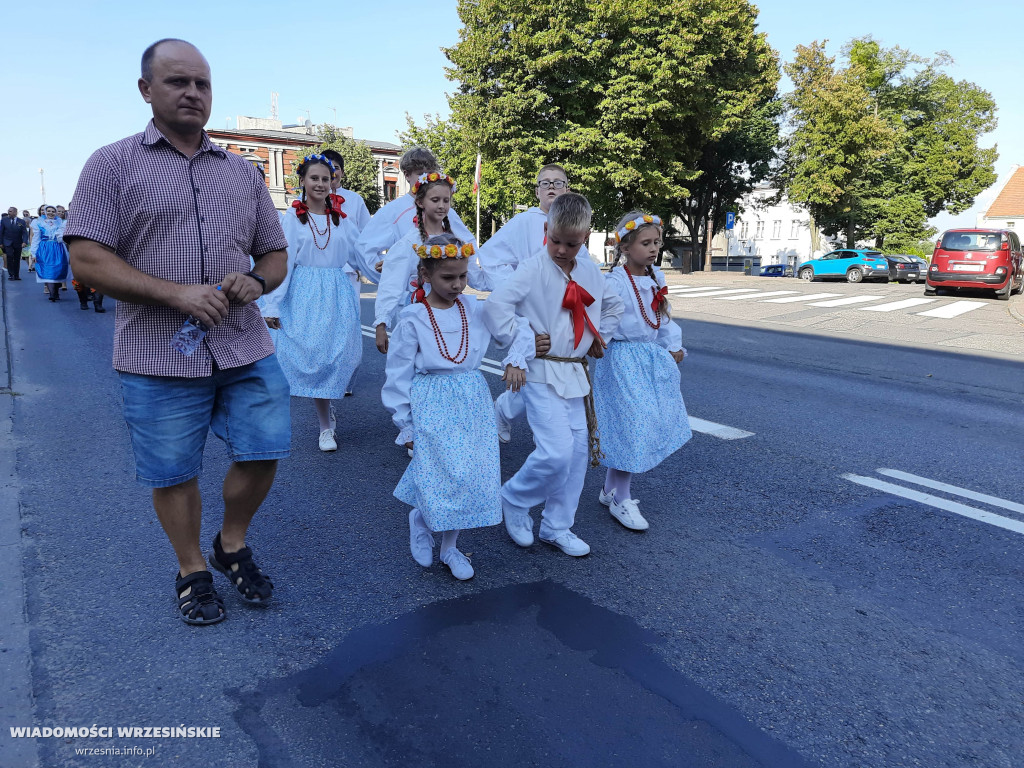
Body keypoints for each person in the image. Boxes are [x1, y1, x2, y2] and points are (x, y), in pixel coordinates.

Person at [65, 38, 291, 626]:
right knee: (173, 471)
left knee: (265, 448)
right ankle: (192, 569)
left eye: (202, 83)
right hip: (156, 352)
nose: (193, 93)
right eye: (178, 82)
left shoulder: (241, 173)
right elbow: (85, 259)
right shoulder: (111, 164)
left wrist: (257, 281)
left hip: (243, 344)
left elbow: (274, 253)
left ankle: (231, 544)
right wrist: (176, 293)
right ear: (146, 90)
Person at [382, 233, 533, 579]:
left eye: (463, 276)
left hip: (471, 399)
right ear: (425, 274)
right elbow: (397, 374)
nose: (457, 285)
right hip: (432, 400)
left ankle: (450, 547)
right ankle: (421, 520)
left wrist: (516, 358)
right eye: (448, 277)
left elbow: (520, 327)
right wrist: (405, 422)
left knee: (466, 474)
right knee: (439, 469)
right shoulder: (413, 317)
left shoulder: (477, 309)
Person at [483, 193, 623, 557]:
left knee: (577, 455)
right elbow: (496, 306)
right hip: (542, 371)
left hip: (574, 372)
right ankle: (515, 497)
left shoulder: (590, 271)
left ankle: (557, 525)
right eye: (555, 240)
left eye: (572, 244)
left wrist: (599, 337)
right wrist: (522, 340)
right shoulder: (533, 268)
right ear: (546, 229)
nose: (561, 250)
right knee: (556, 453)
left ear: (586, 237)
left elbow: (613, 305)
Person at [260, 154, 378, 452]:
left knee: (339, 357)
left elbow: (360, 255)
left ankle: (328, 406)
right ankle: (326, 425)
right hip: (304, 294)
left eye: (326, 178)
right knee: (313, 356)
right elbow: (284, 264)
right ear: (302, 181)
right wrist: (272, 304)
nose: (321, 183)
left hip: (337, 293)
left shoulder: (342, 219)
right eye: (314, 178)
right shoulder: (292, 218)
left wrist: (387, 274)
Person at [591, 212, 691, 531]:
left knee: (636, 424)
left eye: (656, 242)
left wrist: (672, 345)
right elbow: (602, 319)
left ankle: (610, 488)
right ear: (624, 248)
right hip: (622, 361)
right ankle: (622, 498)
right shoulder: (615, 282)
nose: (653, 249)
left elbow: (663, 316)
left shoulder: (655, 277)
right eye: (645, 243)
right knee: (633, 425)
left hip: (648, 360)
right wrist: (597, 342)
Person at [478, 163, 583, 443]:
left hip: (563, 311)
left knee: (554, 375)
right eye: (545, 183)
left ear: (567, 189)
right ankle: (546, 442)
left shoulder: (575, 222)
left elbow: (583, 268)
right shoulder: (524, 222)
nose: (551, 187)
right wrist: (517, 291)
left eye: (558, 183)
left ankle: (507, 410)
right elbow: (491, 257)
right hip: (533, 313)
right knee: (537, 371)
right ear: (537, 191)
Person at [373, 172, 480, 354]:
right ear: (420, 202)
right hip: (419, 312)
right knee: (418, 357)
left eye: (446, 200)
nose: (441, 206)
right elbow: (392, 284)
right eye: (435, 200)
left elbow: (472, 274)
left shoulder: (456, 241)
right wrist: (381, 323)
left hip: (450, 310)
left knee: (448, 354)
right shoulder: (410, 242)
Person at [354, 146, 471, 300]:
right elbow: (364, 247)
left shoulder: (446, 210)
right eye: (420, 174)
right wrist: (391, 273)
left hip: (444, 293)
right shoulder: (393, 211)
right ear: (407, 175)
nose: (426, 178)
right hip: (410, 295)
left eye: (430, 173)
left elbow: (467, 245)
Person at [322, 148, 371, 396]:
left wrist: (368, 266)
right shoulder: (305, 199)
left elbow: (367, 236)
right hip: (319, 275)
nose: (332, 173)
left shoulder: (354, 200)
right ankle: (323, 376)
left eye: (336, 168)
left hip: (348, 273)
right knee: (324, 325)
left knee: (349, 326)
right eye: (326, 168)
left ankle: (346, 378)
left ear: (341, 172)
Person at [31, 206, 68, 300]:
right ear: (45, 212)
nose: (50, 213)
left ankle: (56, 290)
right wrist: (34, 253)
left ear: (55, 213)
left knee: (58, 270)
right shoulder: (39, 223)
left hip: (58, 248)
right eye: (48, 211)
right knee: (47, 270)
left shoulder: (60, 223)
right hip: (44, 249)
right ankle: (52, 293)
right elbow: (36, 239)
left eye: (53, 211)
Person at [1, 206, 29, 280]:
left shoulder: (21, 221)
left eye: (10, 211)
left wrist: (24, 241)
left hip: (18, 242)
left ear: (15, 212)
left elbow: (24, 233)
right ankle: (11, 274)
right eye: (8, 211)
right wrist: (1, 243)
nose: (8, 212)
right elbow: (1, 232)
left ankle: (16, 275)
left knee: (17, 259)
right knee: (9, 256)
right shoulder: (4, 220)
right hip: (7, 242)